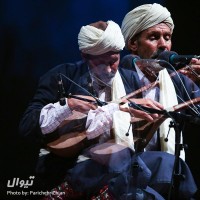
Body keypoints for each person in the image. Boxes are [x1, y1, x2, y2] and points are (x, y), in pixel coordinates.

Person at [19, 20, 167, 199]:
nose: (108, 70)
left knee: (168, 164)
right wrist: (68, 105)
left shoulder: (130, 80)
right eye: (100, 63)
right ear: (85, 56)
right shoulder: (62, 77)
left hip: (121, 171)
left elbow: (141, 133)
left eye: (113, 61)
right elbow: (28, 126)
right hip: (68, 170)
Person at [120, 2, 200, 198]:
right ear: (133, 44)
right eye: (154, 37)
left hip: (163, 176)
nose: (164, 44)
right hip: (123, 172)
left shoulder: (180, 81)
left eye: (167, 37)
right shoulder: (118, 79)